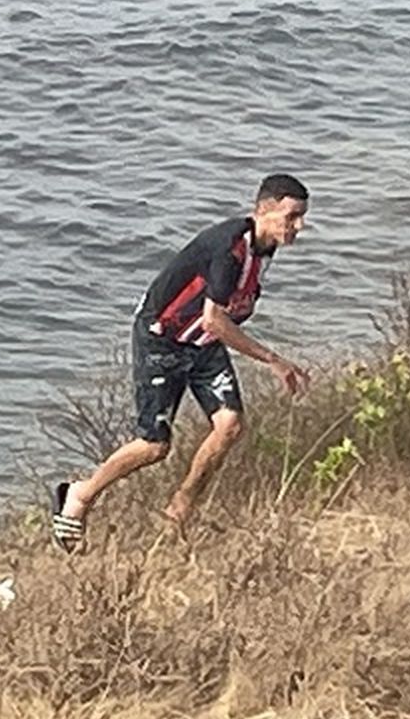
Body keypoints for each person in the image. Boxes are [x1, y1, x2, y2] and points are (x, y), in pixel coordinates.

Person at [51, 174, 313, 550]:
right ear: (264, 210)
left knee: (230, 425)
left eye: (302, 218)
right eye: (291, 217)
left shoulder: (264, 247)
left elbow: (220, 319)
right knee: (155, 446)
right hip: (163, 338)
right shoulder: (229, 250)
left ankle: (180, 510)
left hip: (202, 343)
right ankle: (79, 496)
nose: (298, 227)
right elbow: (215, 320)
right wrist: (273, 360)